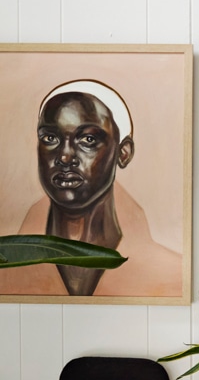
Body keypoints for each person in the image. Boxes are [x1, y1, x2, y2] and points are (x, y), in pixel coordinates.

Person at [0, 80, 182, 297]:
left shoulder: (171, 274)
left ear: (123, 153)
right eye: (50, 138)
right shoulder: (7, 266)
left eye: (87, 139)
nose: (65, 157)